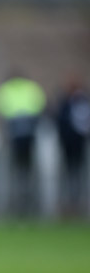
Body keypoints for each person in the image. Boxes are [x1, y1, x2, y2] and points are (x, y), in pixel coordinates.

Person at [0, 71, 46, 215]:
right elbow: (40, 105)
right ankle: (26, 203)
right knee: (27, 171)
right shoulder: (31, 87)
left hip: (14, 135)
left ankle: (17, 204)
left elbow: (0, 107)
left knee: (15, 171)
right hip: (28, 135)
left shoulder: (6, 89)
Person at [54, 77, 90, 214]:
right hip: (66, 145)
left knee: (78, 174)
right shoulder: (65, 103)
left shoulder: (82, 101)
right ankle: (68, 204)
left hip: (79, 145)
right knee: (68, 174)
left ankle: (79, 203)